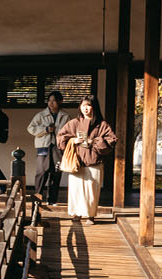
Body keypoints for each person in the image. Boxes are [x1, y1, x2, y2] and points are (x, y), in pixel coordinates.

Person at [57, 95, 116, 224]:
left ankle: (90, 215)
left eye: (88, 105)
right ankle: (76, 213)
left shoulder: (102, 124)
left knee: (91, 190)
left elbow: (112, 140)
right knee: (75, 189)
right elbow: (60, 137)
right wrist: (73, 140)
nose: (86, 108)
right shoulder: (74, 123)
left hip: (94, 163)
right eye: (83, 105)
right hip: (77, 162)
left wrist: (94, 141)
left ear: (94, 107)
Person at [26, 90, 70, 205]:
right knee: (41, 172)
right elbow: (30, 128)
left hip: (58, 147)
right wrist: (45, 130)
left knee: (56, 173)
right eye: (49, 101)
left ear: (60, 101)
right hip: (43, 147)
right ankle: (37, 199)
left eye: (54, 101)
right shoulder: (41, 115)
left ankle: (52, 200)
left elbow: (69, 132)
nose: (51, 103)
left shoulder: (65, 116)